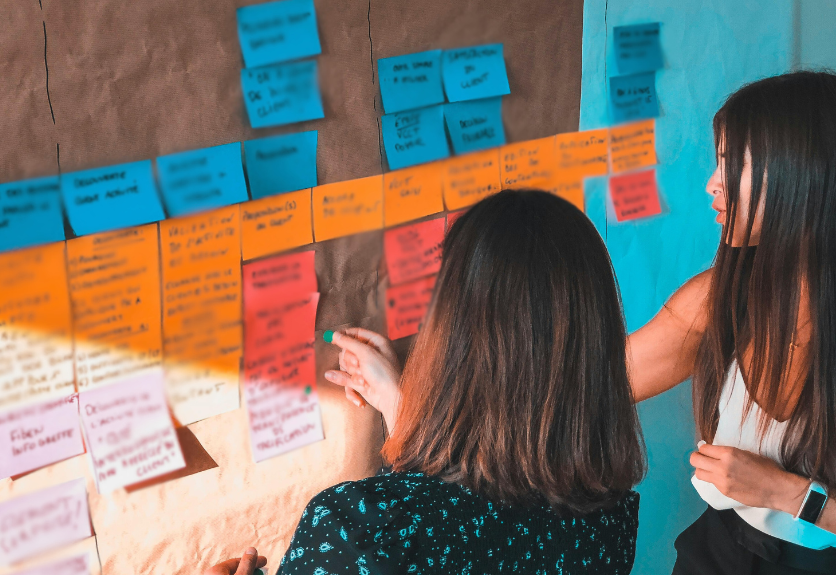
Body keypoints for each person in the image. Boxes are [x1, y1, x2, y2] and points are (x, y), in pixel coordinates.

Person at [205, 190, 645, 574]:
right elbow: (482, 509)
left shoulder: (360, 529)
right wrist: (406, 413)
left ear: (449, 338)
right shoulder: (609, 516)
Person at [628, 71, 836, 574]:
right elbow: (585, 386)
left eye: (730, 163)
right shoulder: (718, 297)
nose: (711, 185)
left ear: (800, 172)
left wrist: (784, 492)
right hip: (716, 554)